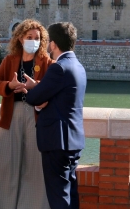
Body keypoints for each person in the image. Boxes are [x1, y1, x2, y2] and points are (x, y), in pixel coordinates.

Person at [0, 19, 53, 209]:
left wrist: (37, 87)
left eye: (37, 38)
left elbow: (55, 87)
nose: (34, 41)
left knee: (35, 167)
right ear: (20, 39)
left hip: (36, 117)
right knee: (6, 165)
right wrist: (9, 85)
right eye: (29, 37)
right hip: (12, 116)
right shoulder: (9, 61)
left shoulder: (48, 62)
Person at [24, 22, 86, 209]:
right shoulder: (78, 66)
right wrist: (40, 88)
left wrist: (30, 88)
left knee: (58, 197)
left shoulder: (59, 68)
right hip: (73, 140)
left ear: (53, 44)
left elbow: (34, 98)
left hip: (57, 143)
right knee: (70, 194)